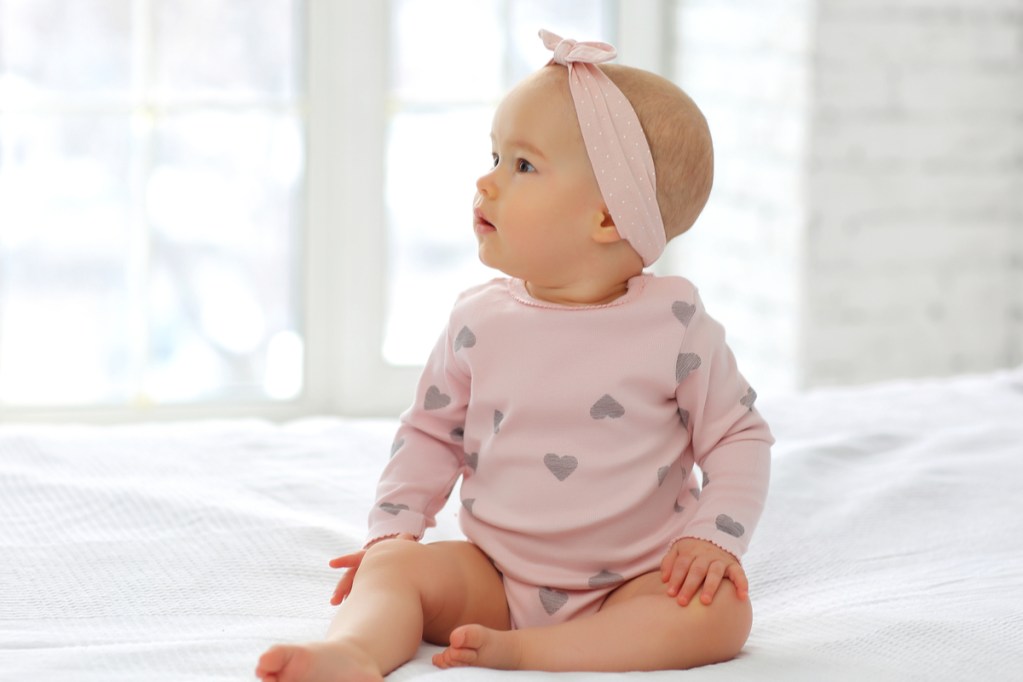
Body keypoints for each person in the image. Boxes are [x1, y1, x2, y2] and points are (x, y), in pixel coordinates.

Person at [256, 29, 772, 682]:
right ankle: (355, 652)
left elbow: (737, 437)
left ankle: (536, 655)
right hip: (494, 577)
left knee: (721, 612)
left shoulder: (673, 324)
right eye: (495, 155)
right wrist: (395, 528)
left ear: (608, 219)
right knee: (392, 569)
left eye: (521, 166)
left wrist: (711, 536)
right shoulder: (480, 319)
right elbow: (428, 432)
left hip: (635, 578)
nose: (486, 181)